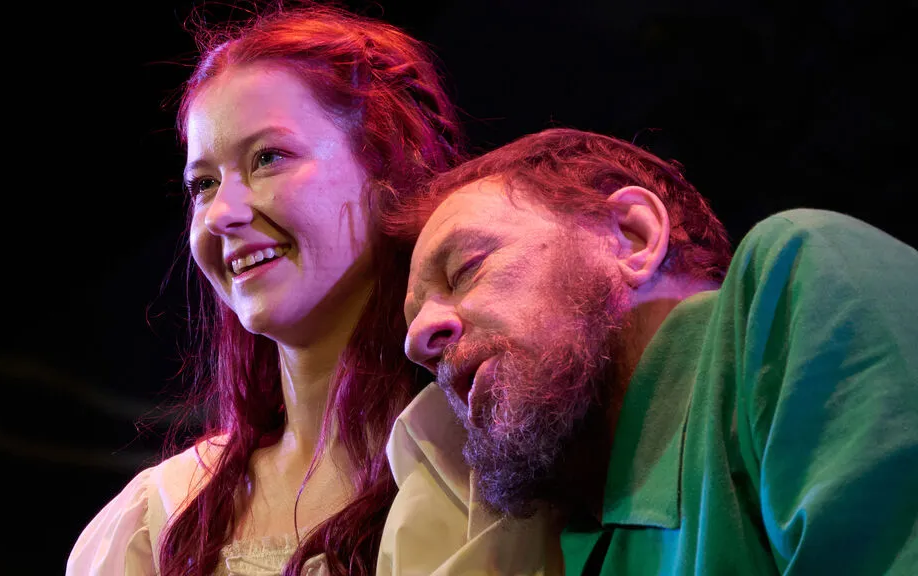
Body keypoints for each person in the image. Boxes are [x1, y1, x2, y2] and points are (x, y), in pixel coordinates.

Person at [382, 128, 918, 574]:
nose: (418, 340)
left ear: (634, 237)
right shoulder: (571, 539)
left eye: (466, 268)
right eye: (413, 324)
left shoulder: (792, 282)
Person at [66, 5, 463, 575]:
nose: (220, 213)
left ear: (388, 171)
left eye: (268, 158)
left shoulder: (493, 472)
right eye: (203, 184)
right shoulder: (158, 520)